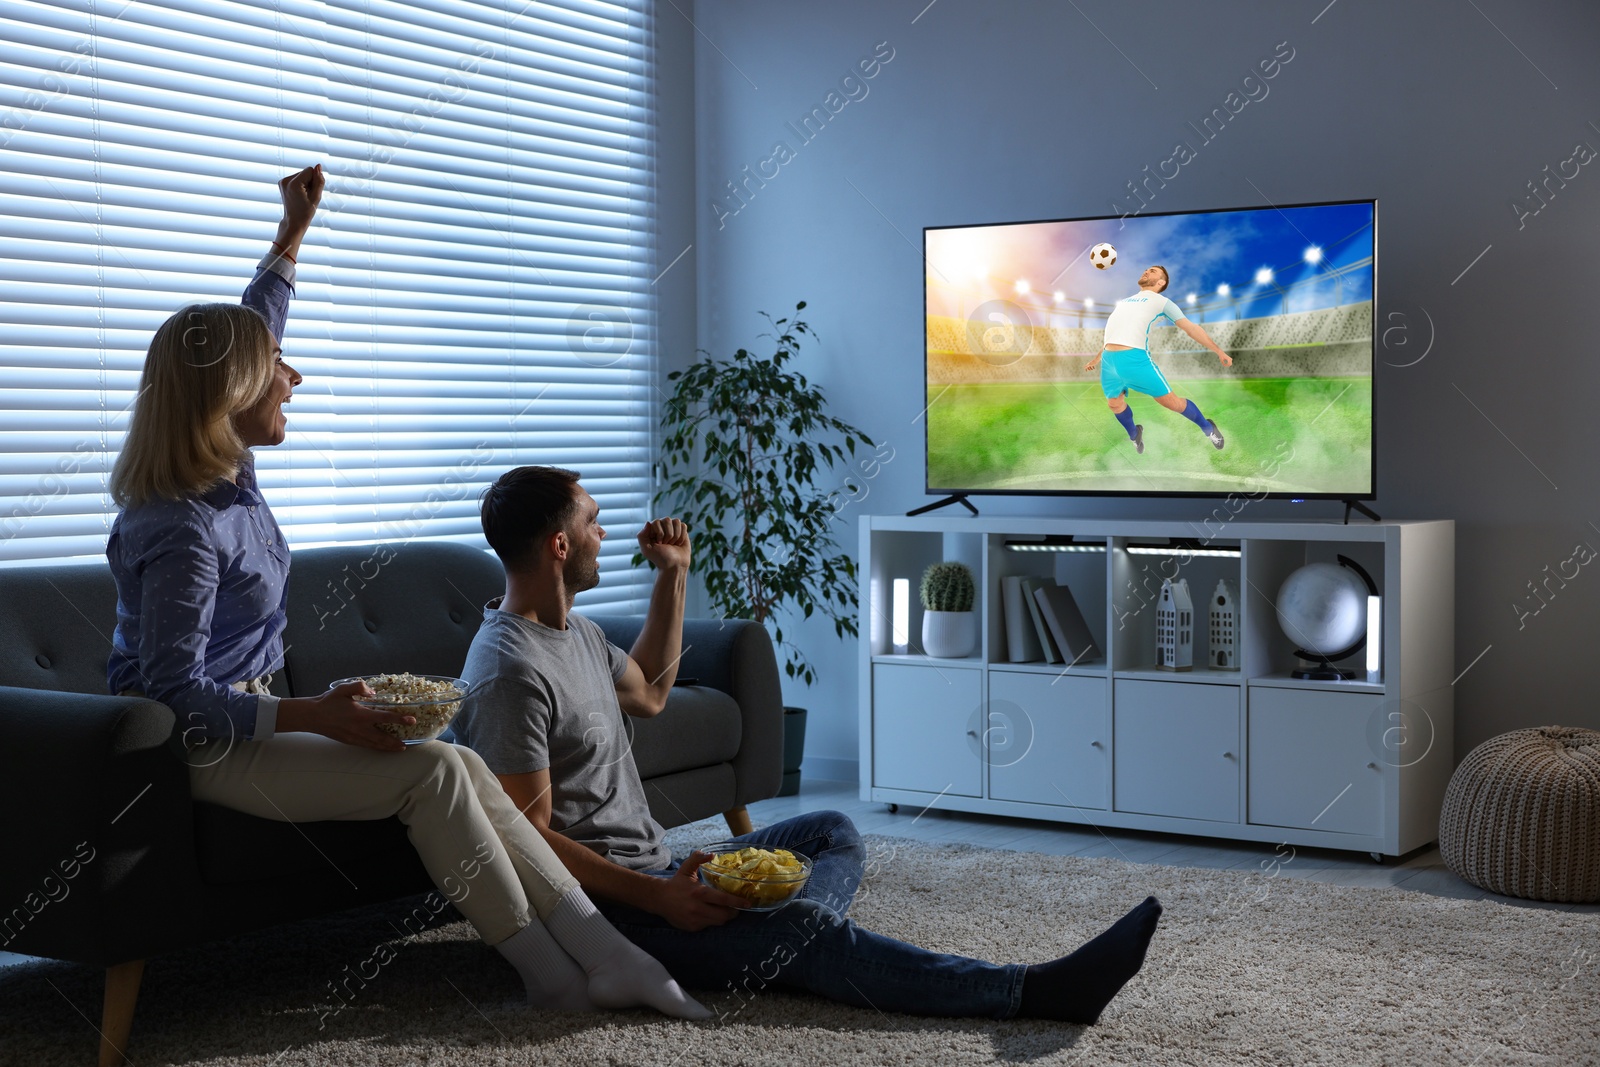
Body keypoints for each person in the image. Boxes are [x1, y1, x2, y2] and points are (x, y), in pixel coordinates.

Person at [104, 166, 707, 1020]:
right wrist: (317, 713)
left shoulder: (226, 467)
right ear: (230, 393)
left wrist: (292, 230)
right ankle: (563, 973)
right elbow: (171, 697)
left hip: (246, 719)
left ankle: (594, 963)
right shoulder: (181, 525)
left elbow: (252, 323)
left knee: (456, 761)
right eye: (278, 368)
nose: (295, 377)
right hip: (198, 744)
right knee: (435, 771)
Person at [451, 465, 1165, 1022]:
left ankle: (776, 936)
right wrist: (661, 899)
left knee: (831, 829)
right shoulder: (508, 669)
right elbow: (530, 839)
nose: (606, 533)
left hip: (663, 867)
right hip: (611, 912)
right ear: (560, 543)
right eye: (594, 522)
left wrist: (675, 574)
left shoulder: (574, 632)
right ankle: (1029, 990)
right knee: (803, 932)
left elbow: (652, 692)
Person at [1083, 265, 1233, 455]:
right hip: (1109, 362)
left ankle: (1208, 428)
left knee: (1173, 403)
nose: (1146, 271)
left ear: (1161, 282)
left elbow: (1190, 328)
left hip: (1135, 360)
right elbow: (1113, 335)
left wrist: (1219, 351)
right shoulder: (1124, 302)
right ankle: (1134, 434)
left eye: (1153, 271)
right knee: (1114, 404)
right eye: (1146, 269)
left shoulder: (1162, 302)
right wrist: (1097, 359)